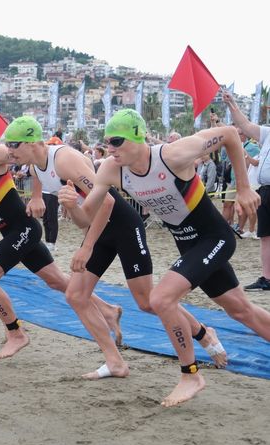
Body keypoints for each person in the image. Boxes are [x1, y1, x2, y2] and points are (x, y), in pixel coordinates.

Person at [5, 116, 226, 380]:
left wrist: (86, 247)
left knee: (146, 302)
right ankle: (115, 362)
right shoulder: (34, 165)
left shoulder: (64, 160)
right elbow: (42, 179)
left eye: (14, 144)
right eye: (7, 145)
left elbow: (107, 203)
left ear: (34, 143)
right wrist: (39, 196)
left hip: (121, 225)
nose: (9, 151)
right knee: (75, 295)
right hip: (96, 229)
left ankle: (203, 332)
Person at [77, 109, 269, 407]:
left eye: (116, 141)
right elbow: (85, 216)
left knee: (161, 299)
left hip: (214, 238)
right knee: (241, 311)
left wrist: (243, 187)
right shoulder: (110, 170)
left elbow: (231, 134)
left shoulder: (173, 154)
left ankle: (190, 375)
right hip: (188, 245)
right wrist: (72, 206)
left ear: (138, 137)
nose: (109, 148)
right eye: (106, 142)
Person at [0, 110, 121, 359]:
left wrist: (36, 196)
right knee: (56, 281)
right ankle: (108, 310)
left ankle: (15, 333)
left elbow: (37, 157)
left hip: (23, 228)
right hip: (7, 230)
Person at [223, 91, 270, 289]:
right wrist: (232, 104)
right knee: (266, 235)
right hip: (266, 189)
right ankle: (267, 278)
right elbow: (244, 125)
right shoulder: (267, 132)